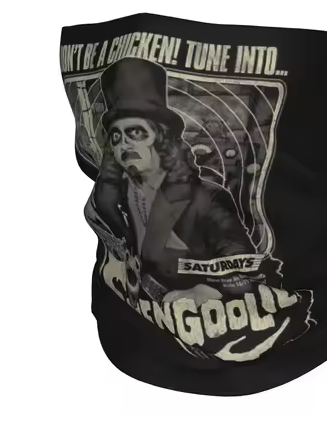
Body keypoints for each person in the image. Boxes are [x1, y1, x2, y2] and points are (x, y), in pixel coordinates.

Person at [93, 57, 255, 306]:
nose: (124, 144)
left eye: (135, 132)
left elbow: (243, 266)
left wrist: (208, 290)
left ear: (161, 138)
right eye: (116, 136)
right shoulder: (115, 196)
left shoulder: (206, 199)